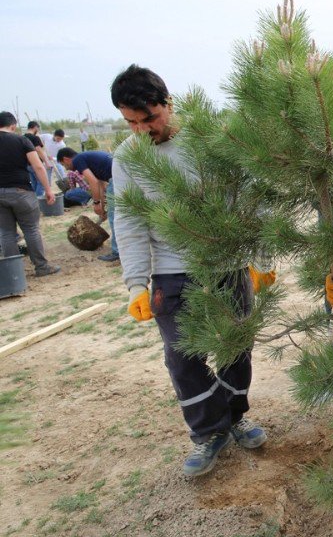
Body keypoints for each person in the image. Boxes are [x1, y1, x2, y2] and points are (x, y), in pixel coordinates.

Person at [111, 65, 267, 477]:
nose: (143, 130)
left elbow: (251, 197)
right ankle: (209, 432)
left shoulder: (208, 139)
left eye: (150, 119)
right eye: (131, 122)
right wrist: (135, 285)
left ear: (169, 104)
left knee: (236, 347)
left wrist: (261, 257)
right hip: (170, 271)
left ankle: (235, 417)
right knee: (181, 358)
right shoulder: (128, 156)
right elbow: (128, 221)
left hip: (226, 263)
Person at [0, 111, 60, 277]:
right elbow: (38, 166)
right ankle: (41, 267)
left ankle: (14, 272)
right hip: (21, 191)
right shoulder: (21, 140)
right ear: (13, 125)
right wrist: (48, 189)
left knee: (6, 233)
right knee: (31, 230)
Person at [56, 147, 119, 262]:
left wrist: (96, 203)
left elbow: (93, 182)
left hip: (117, 179)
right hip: (119, 178)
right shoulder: (87, 158)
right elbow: (100, 184)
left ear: (66, 159)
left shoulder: (78, 160)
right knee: (117, 215)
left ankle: (117, 252)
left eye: (64, 165)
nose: (67, 168)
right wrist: (102, 207)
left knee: (114, 218)